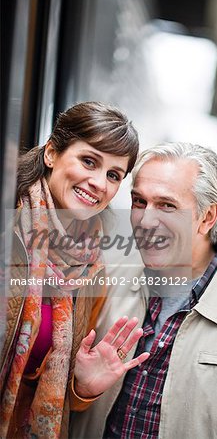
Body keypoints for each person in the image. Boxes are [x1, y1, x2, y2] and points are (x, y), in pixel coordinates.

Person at [70, 142, 217, 439]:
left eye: (167, 205)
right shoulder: (106, 283)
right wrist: (81, 391)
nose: (146, 221)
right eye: (139, 202)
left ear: (208, 217)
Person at [0, 101, 150, 439]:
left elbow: (54, 392)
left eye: (113, 175)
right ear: (52, 153)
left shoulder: (93, 270)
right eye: (88, 161)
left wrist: (83, 387)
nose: (99, 182)